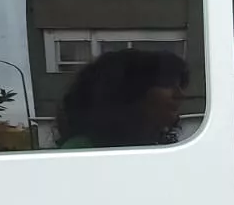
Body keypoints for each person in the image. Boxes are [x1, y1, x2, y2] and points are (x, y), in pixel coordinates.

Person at [57, 48, 191, 149]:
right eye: (167, 84)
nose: (181, 95)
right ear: (131, 92)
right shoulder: (81, 150)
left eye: (180, 85)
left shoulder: (159, 145)